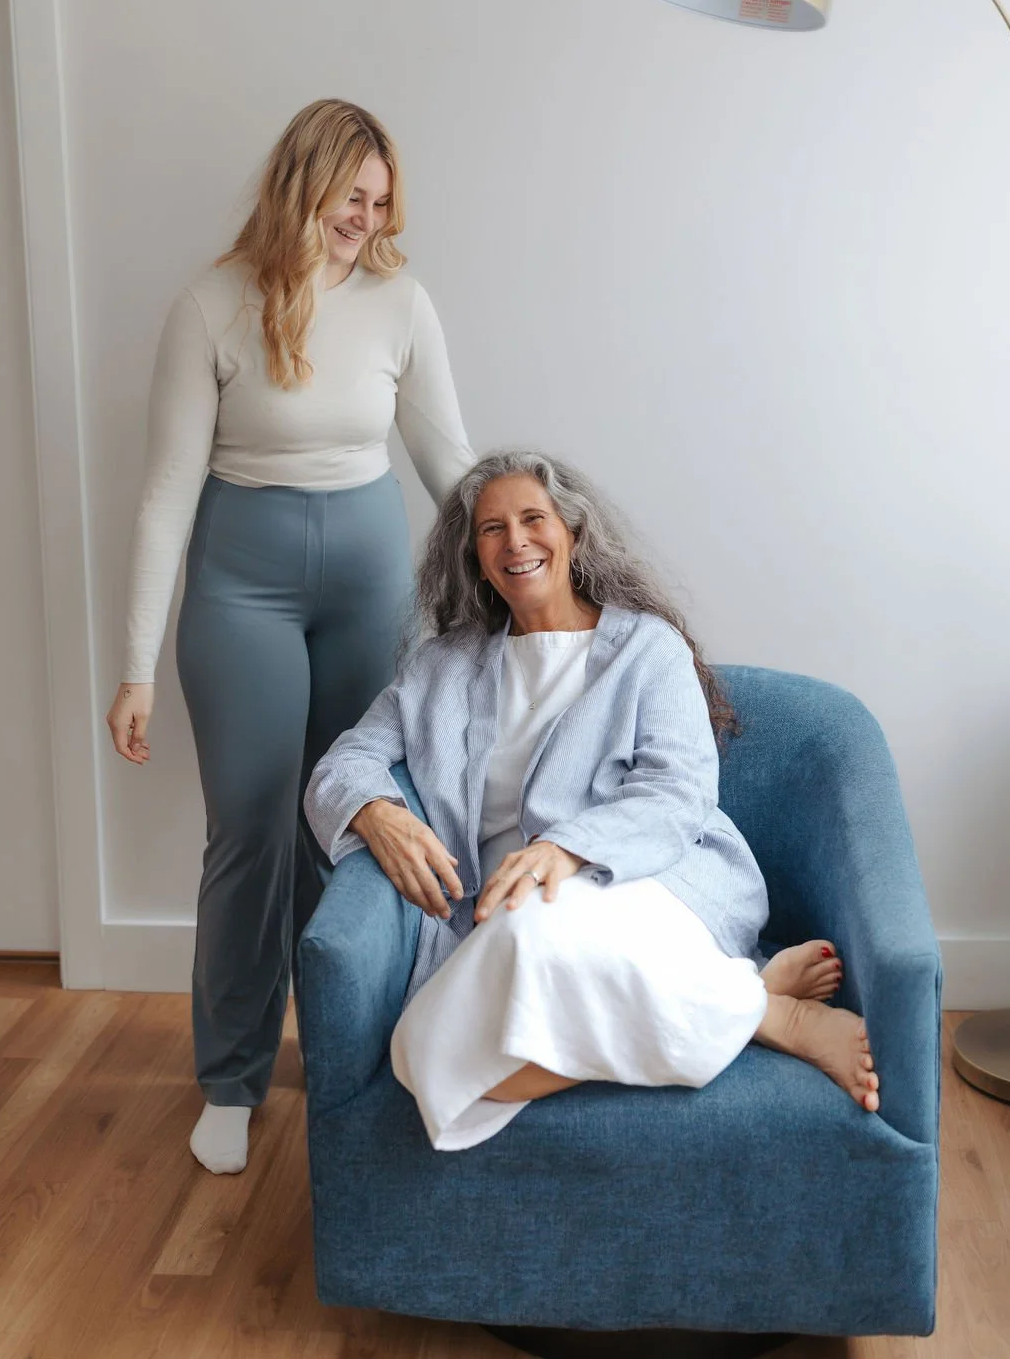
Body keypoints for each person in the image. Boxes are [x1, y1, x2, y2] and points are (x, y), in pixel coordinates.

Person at [305, 451, 878, 1151]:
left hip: (646, 879)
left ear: (573, 534)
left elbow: (678, 793)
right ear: (474, 556)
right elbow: (344, 762)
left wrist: (567, 848)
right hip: (493, 915)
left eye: (532, 519)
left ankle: (785, 1021)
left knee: (529, 939)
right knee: (428, 1059)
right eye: (491, 529)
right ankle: (751, 1001)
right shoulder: (442, 668)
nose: (514, 541)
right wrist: (375, 811)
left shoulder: (647, 650)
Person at [105, 99, 475, 1174]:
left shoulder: (402, 304)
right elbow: (166, 493)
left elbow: (449, 464)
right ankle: (229, 1075)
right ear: (300, 185)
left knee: (348, 822)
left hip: (365, 590)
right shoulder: (211, 304)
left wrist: (529, 572)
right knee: (253, 832)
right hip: (241, 594)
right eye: (348, 197)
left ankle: (344, 1047)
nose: (364, 219)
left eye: (379, 203)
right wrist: (133, 668)